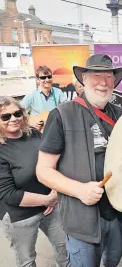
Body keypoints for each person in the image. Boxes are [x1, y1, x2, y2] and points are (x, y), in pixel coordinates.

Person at [35, 54, 122, 267]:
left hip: (116, 215)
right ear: (84, 79)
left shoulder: (121, 116)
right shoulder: (62, 114)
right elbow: (43, 170)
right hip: (82, 222)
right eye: (96, 75)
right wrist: (79, 190)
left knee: (113, 261)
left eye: (108, 76)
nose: (103, 82)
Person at [0, 96, 70, 267]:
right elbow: (9, 195)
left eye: (17, 113)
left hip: (51, 208)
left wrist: (55, 191)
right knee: (27, 260)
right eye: (5, 116)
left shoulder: (34, 134)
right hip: (20, 216)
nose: (14, 119)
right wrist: (48, 199)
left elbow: (53, 162)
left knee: (64, 249)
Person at [22, 66, 67, 130]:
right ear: (38, 79)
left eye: (49, 77)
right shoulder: (32, 95)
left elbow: (66, 108)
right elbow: (19, 112)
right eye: (43, 78)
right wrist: (31, 122)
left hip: (54, 129)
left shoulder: (58, 92)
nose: (47, 80)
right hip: (38, 132)